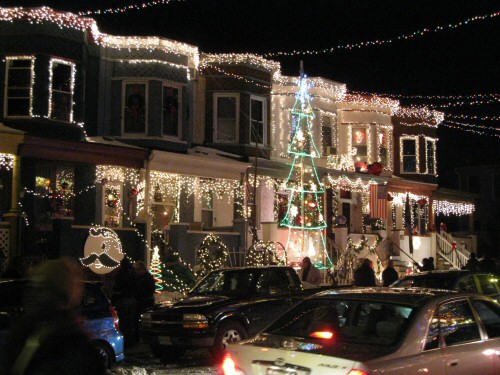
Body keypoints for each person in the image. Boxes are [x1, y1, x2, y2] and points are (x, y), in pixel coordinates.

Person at [1, 257, 106, 375]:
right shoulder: (25, 335)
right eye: (32, 287)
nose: (32, 295)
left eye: (41, 288)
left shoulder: (76, 351)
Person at [112, 257, 138, 347]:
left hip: (123, 299)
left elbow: (118, 286)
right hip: (131, 299)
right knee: (130, 322)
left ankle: (125, 342)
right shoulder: (133, 274)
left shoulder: (121, 274)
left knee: (123, 322)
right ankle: (131, 341)